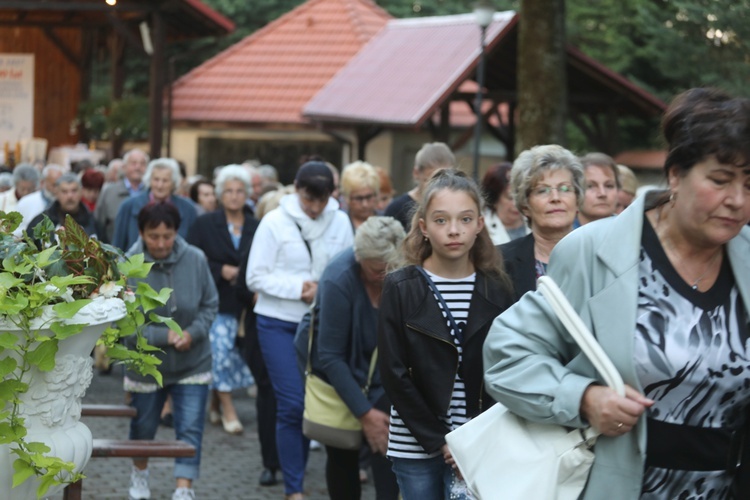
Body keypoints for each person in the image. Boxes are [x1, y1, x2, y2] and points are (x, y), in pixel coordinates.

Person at [483, 87, 750, 499]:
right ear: (675, 174)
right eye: (720, 180)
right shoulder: (594, 252)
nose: (736, 200)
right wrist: (584, 398)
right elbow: (507, 355)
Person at [378, 169, 513, 499]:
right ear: (423, 227)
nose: (454, 230)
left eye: (465, 219)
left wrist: (475, 438)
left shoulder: (496, 288)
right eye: (441, 220)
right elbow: (394, 373)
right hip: (415, 443)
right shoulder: (401, 287)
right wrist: (440, 440)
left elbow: (505, 368)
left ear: (479, 224)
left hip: (478, 440)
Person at [245, 161, 353, 500]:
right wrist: (300, 288)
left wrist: (326, 289)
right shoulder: (274, 222)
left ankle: (301, 476)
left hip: (323, 323)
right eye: (309, 199)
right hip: (278, 321)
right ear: (296, 189)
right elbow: (255, 277)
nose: (316, 207)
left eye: (322, 200)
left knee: (312, 406)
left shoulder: (341, 220)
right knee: (291, 404)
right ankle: (295, 489)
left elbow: (350, 268)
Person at [124, 202, 218, 500]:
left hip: (193, 361)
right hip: (146, 364)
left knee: (190, 429)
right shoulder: (128, 265)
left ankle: (184, 488)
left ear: (177, 232)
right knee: (143, 427)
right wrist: (167, 335)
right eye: (154, 236)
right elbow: (125, 324)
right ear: (141, 233)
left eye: (168, 236)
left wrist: (193, 332)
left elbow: (210, 304)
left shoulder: (196, 259)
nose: (162, 243)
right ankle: (139, 475)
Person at [314, 216, 403, 500]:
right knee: (343, 459)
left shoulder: (402, 271)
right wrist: (364, 413)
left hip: (386, 382)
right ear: (359, 257)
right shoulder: (338, 279)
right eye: (377, 269)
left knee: (389, 461)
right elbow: (329, 356)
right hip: (342, 379)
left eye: (391, 268)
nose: (384, 275)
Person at [187, 166, 256, 436]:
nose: (234, 196)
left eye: (240, 191)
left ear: (248, 195)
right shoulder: (204, 223)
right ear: (219, 194)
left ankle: (214, 403)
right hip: (215, 301)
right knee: (220, 353)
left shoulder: (256, 225)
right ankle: (228, 407)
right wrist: (221, 270)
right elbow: (193, 258)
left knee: (232, 355)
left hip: (246, 304)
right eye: (229, 190)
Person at [498, 145, 584, 298]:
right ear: (525, 205)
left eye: (564, 189)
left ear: (577, 200)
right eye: (542, 190)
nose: (555, 198)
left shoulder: (597, 257)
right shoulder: (499, 262)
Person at [112, 157, 198, 252]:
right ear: (149, 180)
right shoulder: (128, 206)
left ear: (173, 183)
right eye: (156, 179)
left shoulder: (188, 209)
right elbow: (117, 246)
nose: (159, 185)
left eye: (165, 181)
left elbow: (193, 247)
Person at [385, 142, 456, 231]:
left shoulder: (456, 205)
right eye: (430, 180)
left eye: (444, 180)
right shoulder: (397, 209)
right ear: (416, 173)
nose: (437, 187)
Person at [26, 172, 100, 241]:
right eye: (64, 191)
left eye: (74, 191)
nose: (69, 196)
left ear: (81, 192)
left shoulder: (93, 222)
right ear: (57, 193)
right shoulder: (41, 222)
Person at [95, 148, 148, 243]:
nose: (138, 167)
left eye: (142, 164)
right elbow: (99, 223)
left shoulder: (151, 193)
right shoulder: (109, 192)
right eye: (133, 163)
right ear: (124, 167)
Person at [481, 162, 529, 245]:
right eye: (510, 198)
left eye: (519, 196)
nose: (516, 203)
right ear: (494, 200)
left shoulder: (534, 221)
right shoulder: (481, 229)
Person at [15, 163, 65, 233]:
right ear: (42, 182)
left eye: (60, 185)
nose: (57, 189)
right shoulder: (26, 202)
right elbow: (16, 231)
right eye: (54, 185)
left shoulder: (68, 205)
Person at [575, 152, 620, 227]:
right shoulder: (561, 235)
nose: (602, 193)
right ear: (576, 192)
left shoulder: (633, 230)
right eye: (590, 186)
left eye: (609, 186)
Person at [340, 161, 380, 230]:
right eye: (359, 198)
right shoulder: (340, 224)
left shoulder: (386, 222)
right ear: (347, 198)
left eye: (369, 197)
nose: (365, 204)